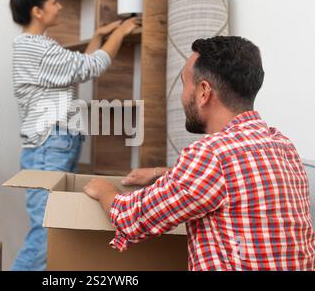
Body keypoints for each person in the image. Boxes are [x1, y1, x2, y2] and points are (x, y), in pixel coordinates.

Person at [84, 36, 315, 271]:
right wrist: (162, 174)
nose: (182, 96)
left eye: (185, 84)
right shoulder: (282, 145)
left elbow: (130, 216)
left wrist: (105, 190)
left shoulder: (212, 155)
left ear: (204, 92)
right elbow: (235, 181)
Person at [5, 0, 141, 271]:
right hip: (49, 146)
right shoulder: (37, 48)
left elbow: (77, 68)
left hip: (52, 145)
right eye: (54, 1)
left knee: (56, 228)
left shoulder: (38, 46)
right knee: (45, 232)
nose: (60, 6)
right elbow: (92, 66)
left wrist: (98, 37)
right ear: (37, 11)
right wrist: (121, 31)